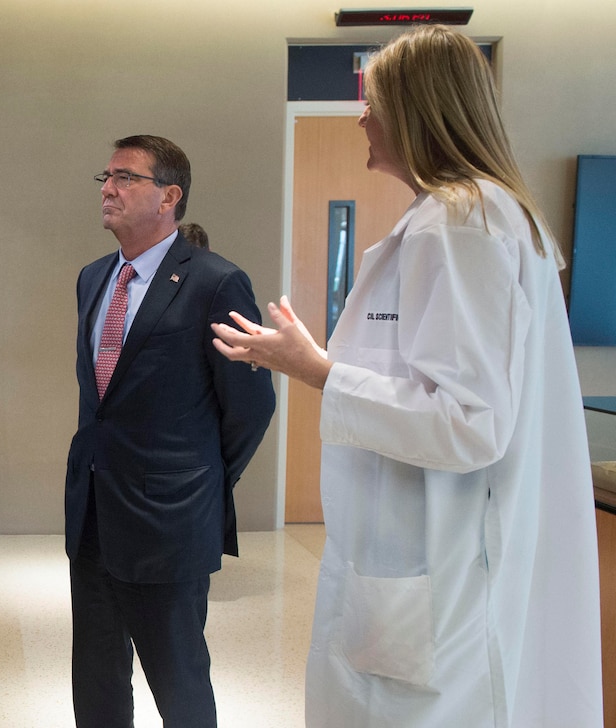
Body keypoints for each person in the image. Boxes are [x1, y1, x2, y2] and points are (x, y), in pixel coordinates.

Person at [211, 25, 602, 727]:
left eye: (375, 101)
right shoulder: (480, 215)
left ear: (422, 110)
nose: (362, 116)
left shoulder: (460, 222)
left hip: (441, 572)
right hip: (436, 562)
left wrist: (320, 371)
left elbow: (469, 424)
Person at [66, 134, 275, 727]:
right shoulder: (92, 278)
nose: (108, 188)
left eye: (126, 178)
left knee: (179, 682)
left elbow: (251, 407)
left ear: (169, 196)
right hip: (93, 516)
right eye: (105, 176)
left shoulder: (216, 282)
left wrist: (199, 480)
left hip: (168, 523)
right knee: (97, 679)